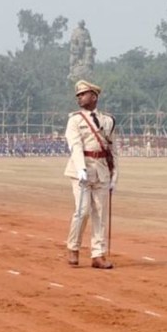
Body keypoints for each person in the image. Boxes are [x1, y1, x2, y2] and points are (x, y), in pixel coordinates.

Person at [63, 79, 117, 269]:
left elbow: (112, 149)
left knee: (100, 214)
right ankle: (73, 247)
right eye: (78, 95)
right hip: (82, 169)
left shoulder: (108, 120)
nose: (79, 98)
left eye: (83, 94)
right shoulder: (75, 120)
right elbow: (75, 145)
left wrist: (115, 174)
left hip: (101, 170)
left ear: (94, 96)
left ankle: (98, 254)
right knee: (82, 211)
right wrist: (81, 168)